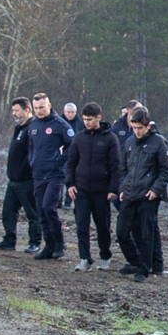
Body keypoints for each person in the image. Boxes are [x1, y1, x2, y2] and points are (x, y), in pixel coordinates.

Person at [117, 107, 168, 280]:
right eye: (134, 128)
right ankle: (136, 260)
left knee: (147, 233)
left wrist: (156, 190)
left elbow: (165, 170)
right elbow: (124, 168)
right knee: (122, 232)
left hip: (148, 195)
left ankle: (144, 268)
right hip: (130, 193)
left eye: (140, 128)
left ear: (148, 126)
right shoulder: (129, 143)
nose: (137, 131)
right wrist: (123, 187)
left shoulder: (158, 142)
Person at [66, 103, 120, 268]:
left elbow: (116, 166)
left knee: (102, 225)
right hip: (81, 188)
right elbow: (71, 162)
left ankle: (105, 255)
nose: (86, 123)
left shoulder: (110, 138)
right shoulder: (79, 137)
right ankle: (85, 258)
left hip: (102, 190)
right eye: (84, 120)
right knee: (81, 224)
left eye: (89, 119)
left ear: (98, 118)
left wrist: (113, 188)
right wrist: (70, 184)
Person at [21, 92, 71, 261]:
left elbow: (72, 146)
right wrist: (31, 161)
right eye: (36, 108)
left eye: (42, 107)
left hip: (54, 174)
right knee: (41, 211)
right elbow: (31, 147)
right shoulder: (33, 125)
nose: (39, 111)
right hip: (38, 174)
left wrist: (60, 160)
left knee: (49, 207)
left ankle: (59, 243)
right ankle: (48, 246)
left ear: (49, 106)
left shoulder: (60, 125)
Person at [0, 97, 37, 252]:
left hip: (26, 180)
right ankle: (9, 239)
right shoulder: (18, 128)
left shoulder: (32, 128)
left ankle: (34, 242)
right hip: (13, 180)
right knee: (8, 211)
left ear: (26, 110)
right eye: (12, 111)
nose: (13, 114)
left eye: (16, 111)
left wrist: (24, 169)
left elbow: (31, 154)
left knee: (32, 213)